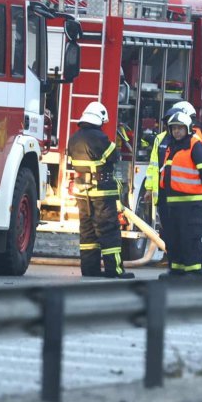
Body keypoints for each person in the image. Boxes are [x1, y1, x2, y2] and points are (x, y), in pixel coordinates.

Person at [67, 101, 134, 279]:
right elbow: (115, 156)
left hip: (81, 193)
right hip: (102, 192)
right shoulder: (100, 138)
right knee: (109, 231)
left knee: (87, 232)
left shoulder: (73, 138)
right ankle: (115, 270)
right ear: (100, 119)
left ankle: (90, 270)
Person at [158, 112, 202, 277]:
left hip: (191, 204)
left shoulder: (194, 146)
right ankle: (177, 268)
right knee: (174, 237)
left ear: (188, 128)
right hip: (173, 203)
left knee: (190, 237)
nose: (177, 131)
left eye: (180, 128)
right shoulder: (171, 147)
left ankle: (194, 270)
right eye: (174, 128)